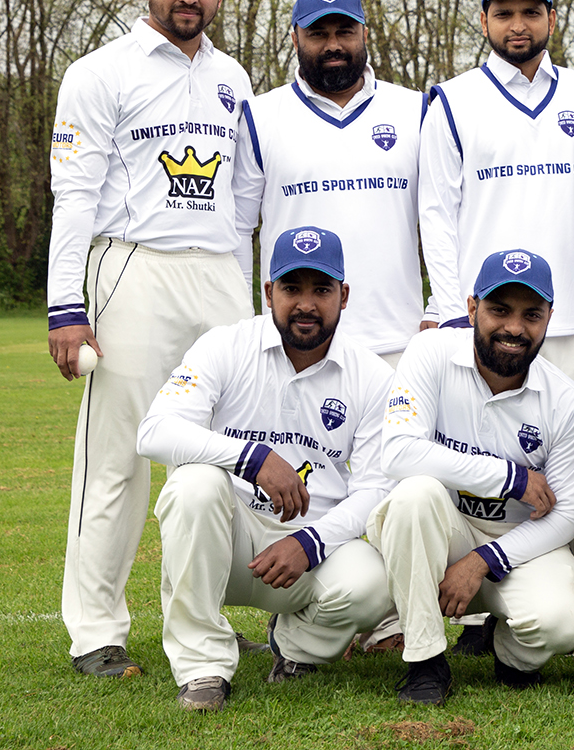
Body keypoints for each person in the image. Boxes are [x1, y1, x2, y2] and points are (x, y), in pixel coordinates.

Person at [46, 0, 254, 677]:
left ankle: (201, 622)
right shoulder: (99, 72)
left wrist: (247, 292)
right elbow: (72, 195)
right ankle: (96, 630)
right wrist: (65, 304)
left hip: (217, 272)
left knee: (224, 457)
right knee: (119, 459)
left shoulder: (233, 78)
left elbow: (241, 203)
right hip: (132, 266)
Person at [135, 226, 395, 711]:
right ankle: (204, 669)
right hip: (226, 540)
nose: (306, 304)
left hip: (309, 549)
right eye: (292, 289)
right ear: (268, 292)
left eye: (321, 290)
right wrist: (250, 458)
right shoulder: (224, 346)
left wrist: (309, 542)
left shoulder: (373, 375)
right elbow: (153, 432)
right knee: (194, 482)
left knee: (373, 585)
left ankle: (295, 648)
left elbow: (376, 487)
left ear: (344, 296)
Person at [366, 250, 574, 705]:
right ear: (472, 309)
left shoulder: (566, 399)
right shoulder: (430, 351)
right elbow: (398, 451)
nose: (513, 328)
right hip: (442, 526)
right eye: (499, 310)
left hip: (517, 539)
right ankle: (425, 661)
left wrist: (482, 560)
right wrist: (510, 477)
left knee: (561, 622)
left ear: (550, 317)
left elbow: (566, 514)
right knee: (414, 494)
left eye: (531, 315)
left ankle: (510, 655)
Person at [419, 0, 574, 381]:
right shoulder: (451, 101)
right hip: (488, 327)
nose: (518, 25)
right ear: (484, 19)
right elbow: (436, 217)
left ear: (552, 17)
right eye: (504, 13)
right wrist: (454, 313)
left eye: (530, 11)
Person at [234, 0, 427, 367]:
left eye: (345, 31)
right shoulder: (259, 115)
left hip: (399, 341)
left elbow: (443, 222)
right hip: (294, 341)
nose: (333, 44)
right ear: (294, 38)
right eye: (318, 33)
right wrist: (247, 320)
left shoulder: (416, 110)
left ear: (365, 33)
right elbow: (238, 229)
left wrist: (442, 305)